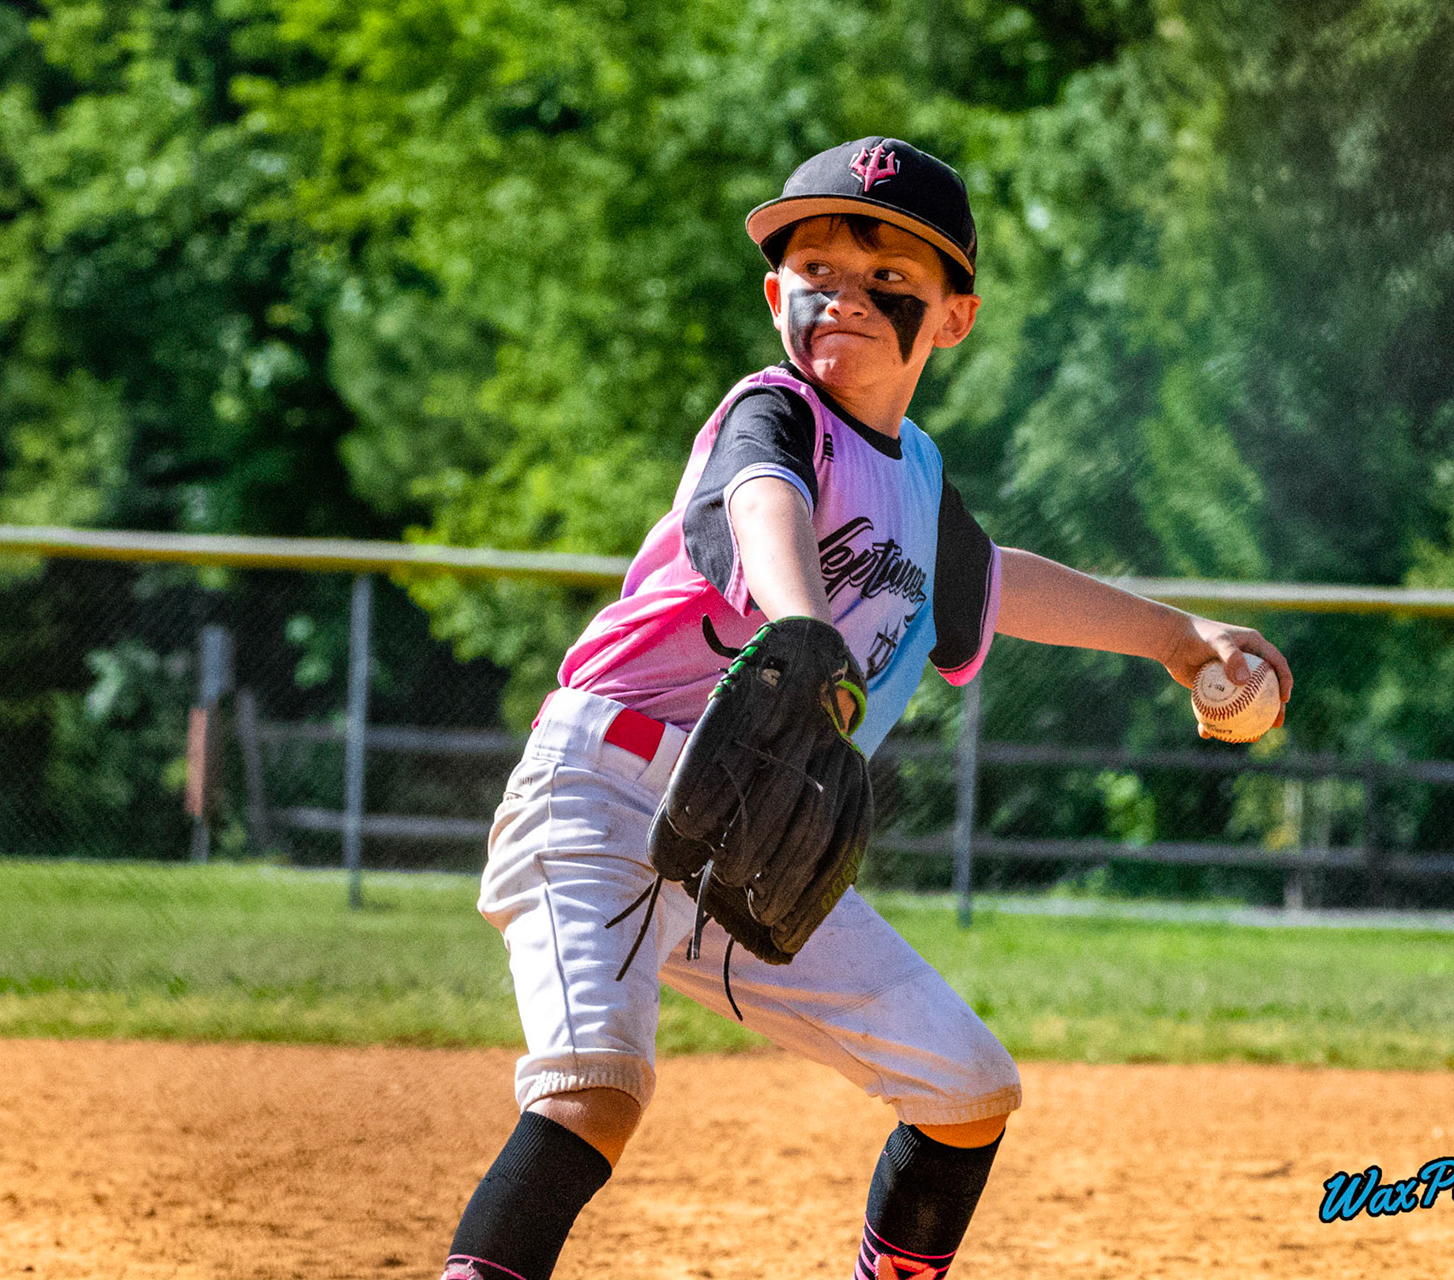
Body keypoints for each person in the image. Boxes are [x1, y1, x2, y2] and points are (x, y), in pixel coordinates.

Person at [440, 136, 1292, 1280]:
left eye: (889, 280)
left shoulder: (919, 478)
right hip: (601, 789)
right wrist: (806, 638)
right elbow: (763, 508)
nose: (844, 296)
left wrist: (1180, 640)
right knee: (595, 1087)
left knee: (968, 1088)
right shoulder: (771, 412)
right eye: (817, 272)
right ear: (772, 293)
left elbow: (993, 581)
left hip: (744, 829)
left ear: (953, 317)